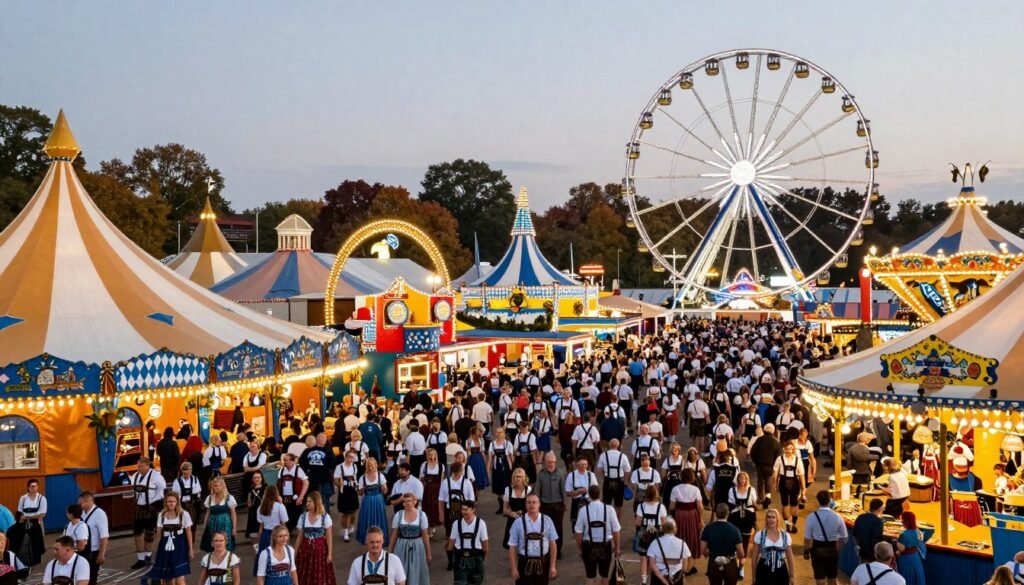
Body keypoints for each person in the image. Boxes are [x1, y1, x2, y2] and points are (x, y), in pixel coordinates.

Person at [574, 484, 621, 585]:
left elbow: (578, 532)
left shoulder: (583, 510)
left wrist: (580, 547)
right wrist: (617, 547)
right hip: (605, 546)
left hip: (588, 546)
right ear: (599, 494)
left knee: (590, 576)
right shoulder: (609, 509)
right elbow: (616, 530)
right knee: (604, 575)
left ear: (589, 495)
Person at [127, 456, 166, 569]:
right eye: (138, 466)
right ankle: (140, 559)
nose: (139, 468)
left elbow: (162, 489)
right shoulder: (135, 476)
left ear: (148, 466)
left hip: (151, 508)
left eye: (142, 466)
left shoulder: (156, 477)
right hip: (139, 508)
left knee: (149, 533)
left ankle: (148, 556)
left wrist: (155, 503)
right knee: (137, 534)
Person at [146, 491, 193, 584]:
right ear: (166, 503)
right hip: (165, 545)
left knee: (179, 577)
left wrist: (190, 549)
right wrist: (158, 549)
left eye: (173, 501)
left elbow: (188, 532)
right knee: (167, 577)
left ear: (177, 502)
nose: (171, 503)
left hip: (179, 545)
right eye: (169, 501)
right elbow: (159, 533)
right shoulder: (161, 515)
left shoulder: (184, 514)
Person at [803, 489, 848, 585]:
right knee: (832, 579)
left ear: (818, 500)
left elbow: (807, 537)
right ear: (830, 500)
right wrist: (837, 548)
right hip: (832, 549)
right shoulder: (837, 517)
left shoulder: (811, 517)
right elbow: (844, 537)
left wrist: (806, 551)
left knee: (820, 580)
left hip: (817, 549)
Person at [389, 492, 430, 585]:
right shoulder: (398, 515)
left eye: (410, 501)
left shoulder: (422, 515)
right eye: (405, 501)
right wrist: (390, 552)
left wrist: (428, 554)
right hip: (401, 546)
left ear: (415, 502)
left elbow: (425, 535)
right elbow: (394, 534)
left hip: (417, 547)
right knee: (400, 571)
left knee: (416, 571)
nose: (407, 503)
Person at [295, 492, 335, 585]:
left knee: (319, 572)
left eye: (310, 501)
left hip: (320, 551)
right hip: (305, 550)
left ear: (316, 502)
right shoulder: (303, 517)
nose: (307, 503)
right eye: (307, 501)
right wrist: (295, 553)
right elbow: (300, 537)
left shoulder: (325, 517)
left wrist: (329, 553)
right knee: (304, 571)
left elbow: (329, 536)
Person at [700, 503, 745, 585]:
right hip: (730, 565)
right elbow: (741, 553)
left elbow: (702, 550)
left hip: (714, 564)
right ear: (728, 513)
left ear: (716, 514)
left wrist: (709, 553)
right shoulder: (735, 530)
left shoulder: (708, 528)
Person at [448, 499, 489, 585]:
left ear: (473, 509)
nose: (463, 512)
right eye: (462, 509)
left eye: (466, 509)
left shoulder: (481, 523)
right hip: (460, 559)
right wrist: (451, 560)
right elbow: (451, 544)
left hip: (476, 559)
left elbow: (485, 545)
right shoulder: (456, 523)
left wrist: (480, 559)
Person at [634, 485, 669, 585]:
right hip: (656, 535)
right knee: (655, 557)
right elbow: (664, 524)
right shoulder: (661, 507)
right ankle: (654, 578)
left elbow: (638, 522)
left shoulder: (641, 506)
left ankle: (644, 580)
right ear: (656, 494)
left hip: (644, 534)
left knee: (643, 557)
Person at [750, 509, 795, 585]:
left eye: (773, 517)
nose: (770, 519)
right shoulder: (759, 535)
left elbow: (790, 557)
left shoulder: (785, 535)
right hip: (763, 572)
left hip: (781, 572)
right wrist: (753, 576)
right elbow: (754, 557)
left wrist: (792, 576)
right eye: (768, 517)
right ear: (766, 519)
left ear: (777, 519)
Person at [670, 468, 703, 567]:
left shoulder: (675, 489)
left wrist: (672, 516)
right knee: (692, 536)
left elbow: (672, 507)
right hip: (692, 515)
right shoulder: (695, 489)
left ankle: (680, 564)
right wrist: (700, 519)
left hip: (680, 514)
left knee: (680, 536)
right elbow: (700, 506)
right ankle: (690, 565)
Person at [536, 453, 567, 559]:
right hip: (545, 506)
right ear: (545, 462)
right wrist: (537, 505)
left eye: (553, 462)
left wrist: (565, 503)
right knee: (546, 529)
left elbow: (563, 489)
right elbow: (537, 490)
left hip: (558, 505)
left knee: (558, 528)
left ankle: (558, 550)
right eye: (549, 462)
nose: (551, 464)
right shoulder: (541, 474)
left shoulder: (560, 473)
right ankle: (547, 550)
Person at [255, 485, 288, 576]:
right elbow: (284, 521)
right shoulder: (279, 506)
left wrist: (259, 535)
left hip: (265, 533)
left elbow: (260, 523)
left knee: (264, 559)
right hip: (277, 533)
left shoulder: (261, 507)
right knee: (278, 557)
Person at [772, 441, 805, 533]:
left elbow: (802, 475)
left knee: (794, 505)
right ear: (784, 449)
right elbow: (775, 472)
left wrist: (803, 489)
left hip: (795, 482)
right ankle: (787, 524)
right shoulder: (780, 459)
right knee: (785, 504)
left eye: (790, 448)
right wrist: (774, 483)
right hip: (783, 481)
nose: (788, 450)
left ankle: (793, 524)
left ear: (793, 449)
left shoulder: (798, 460)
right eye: (786, 449)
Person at [648, 519, 693, 585]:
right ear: (675, 529)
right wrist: (685, 571)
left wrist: (663, 579)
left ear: (663, 529)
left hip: (658, 580)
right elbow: (685, 566)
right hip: (677, 579)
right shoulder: (682, 543)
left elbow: (652, 564)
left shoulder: (655, 543)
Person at [78, 491, 109, 585]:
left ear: (88, 501)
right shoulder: (82, 513)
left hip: (93, 552)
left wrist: (101, 555)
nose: (79, 505)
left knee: (91, 578)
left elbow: (104, 536)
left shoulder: (100, 514)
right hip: (83, 550)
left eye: (81, 503)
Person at [357, 457, 390, 545]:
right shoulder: (362, 478)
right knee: (367, 519)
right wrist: (363, 488)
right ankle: (368, 540)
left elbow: (385, 491)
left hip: (378, 500)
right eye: (370, 465)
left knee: (379, 519)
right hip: (367, 501)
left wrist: (384, 488)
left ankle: (380, 539)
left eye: (374, 464)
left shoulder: (380, 476)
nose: (373, 466)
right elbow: (360, 493)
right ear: (367, 466)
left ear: (376, 465)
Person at [201, 477, 237, 553]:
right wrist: (204, 527)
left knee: (225, 543)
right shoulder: (209, 498)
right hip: (212, 524)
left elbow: (233, 514)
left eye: (218, 485)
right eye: (215, 486)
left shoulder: (229, 498)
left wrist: (234, 528)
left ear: (223, 486)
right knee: (214, 543)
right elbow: (208, 513)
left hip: (225, 523)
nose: (217, 487)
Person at [17, 478, 47, 568]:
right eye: (32, 486)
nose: (33, 488)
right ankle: (24, 562)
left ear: (37, 487)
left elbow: (43, 514)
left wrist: (28, 516)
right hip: (24, 523)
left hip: (36, 523)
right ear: (28, 487)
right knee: (23, 542)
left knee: (37, 543)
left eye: (35, 486)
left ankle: (36, 564)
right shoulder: (23, 498)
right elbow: (20, 511)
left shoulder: (42, 499)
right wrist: (24, 517)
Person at [749, 425, 782, 507]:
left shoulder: (759, 440)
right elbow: (779, 455)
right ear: (773, 431)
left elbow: (752, 452)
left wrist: (756, 461)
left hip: (760, 465)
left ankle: (761, 498)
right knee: (768, 480)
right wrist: (775, 465)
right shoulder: (775, 442)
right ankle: (768, 496)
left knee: (760, 482)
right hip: (770, 465)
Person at [727, 471, 758, 555]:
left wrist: (757, 506)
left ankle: (743, 556)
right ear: (737, 479)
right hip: (735, 516)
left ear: (747, 479)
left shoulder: (751, 489)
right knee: (734, 535)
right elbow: (730, 503)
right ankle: (734, 552)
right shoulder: (732, 490)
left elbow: (754, 503)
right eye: (740, 478)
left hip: (748, 516)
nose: (742, 480)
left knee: (746, 536)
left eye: (744, 478)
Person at [171, 462, 203, 540]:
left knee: (192, 525)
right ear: (182, 471)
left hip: (192, 506)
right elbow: (175, 495)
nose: (187, 472)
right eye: (185, 470)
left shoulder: (195, 479)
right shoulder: (177, 481)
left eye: (189, 470)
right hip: (181, 506)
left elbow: (198, 491)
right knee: (181, 526)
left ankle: (191, 542)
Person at [597, 438, 631, 511]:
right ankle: (617, 521)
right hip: (619, 481)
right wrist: (625, 481)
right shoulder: (623, 456)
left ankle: (606, 520)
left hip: (607, 480)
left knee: (606, 503)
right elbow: (627, 470)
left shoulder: (603, 455)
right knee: (618, 505)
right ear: (618, 446)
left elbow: (599, 469)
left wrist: (604, 476)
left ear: (609, 445)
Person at [335, 450, 361, 542]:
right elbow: (336, 480)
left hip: (352, 490)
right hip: (344, 491)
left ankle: (351, 526)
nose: (351, 459)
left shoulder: (354, 466)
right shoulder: (339, 467)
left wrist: (357, 487)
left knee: (353, 512)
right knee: (345, 513)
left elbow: (355, 478)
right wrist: (340, 484)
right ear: (345, 457)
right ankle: (345, 531)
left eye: (352, 457)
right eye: (349, 457)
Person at [277, 454, 309, 529]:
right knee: (285, 516)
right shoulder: (281, 470)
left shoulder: (299, 470)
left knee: (297, 517)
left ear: (292, 461)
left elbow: (306, 482)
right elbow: (278, 484)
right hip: (284, 498)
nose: (284, 462)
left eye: (286, 460)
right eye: (283, 460)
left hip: (295, 498)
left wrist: (301, 497)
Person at [504, 468, 533, 548]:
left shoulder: (528, 490)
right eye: (516, 476)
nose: (518, 479)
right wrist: (510, 513)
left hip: (525, 519)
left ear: (524, 478)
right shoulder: (508, 490)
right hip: (512, 520)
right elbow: (504, 510)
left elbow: (532, 507)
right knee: (512, 544)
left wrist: (523, 512)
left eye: (520, 476)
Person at [565, 457, 599, 526]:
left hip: (589, 502)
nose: (584, 466)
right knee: (576, 525)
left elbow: (596, 489)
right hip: (576, 503)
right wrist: (577, 492)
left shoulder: (591, 475)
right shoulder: (571, 476)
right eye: (582, 464)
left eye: (585, 464)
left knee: (589, 523)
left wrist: (589, 492)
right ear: (577, 465)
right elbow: (567, 492)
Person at [419, 448, 445, 536]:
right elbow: (421, 478)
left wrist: (442, 491)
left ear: (436, 455)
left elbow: (441, 479)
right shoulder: (424, 465)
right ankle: (429, 527)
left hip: (436, 489)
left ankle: (434, 525)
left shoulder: (441, 466)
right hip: (427, 489)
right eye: (429, 454)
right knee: (427, 507)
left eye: (433, 454)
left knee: (435, 507)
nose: (431, 456)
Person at [896, 511, 926, 585]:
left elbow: (901, 549)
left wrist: (894, 542)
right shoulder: (918, 532)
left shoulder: (903, 535)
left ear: (905, 522)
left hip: (906, 560)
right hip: (915, 558)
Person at [852, 498, 885, 562]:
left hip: (861, 552)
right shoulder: (878, 521)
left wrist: (859, 546)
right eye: (883, 508)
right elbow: (876, 539)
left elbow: (854, 534)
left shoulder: (860, 517)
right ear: (879, 509)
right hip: (871, 554)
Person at [487, 427, 511, 509]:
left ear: (504, 433)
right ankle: (501, 506)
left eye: (500, 432)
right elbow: (490, 458)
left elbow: (511, 457)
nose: (499, 434)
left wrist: (512, 469)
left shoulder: (507, 444)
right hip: (496, 467)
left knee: (505, 486)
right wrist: (488, 470)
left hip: (505, 467)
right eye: (497, 432)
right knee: (497, 488)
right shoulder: (492, 444)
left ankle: (506, 506)